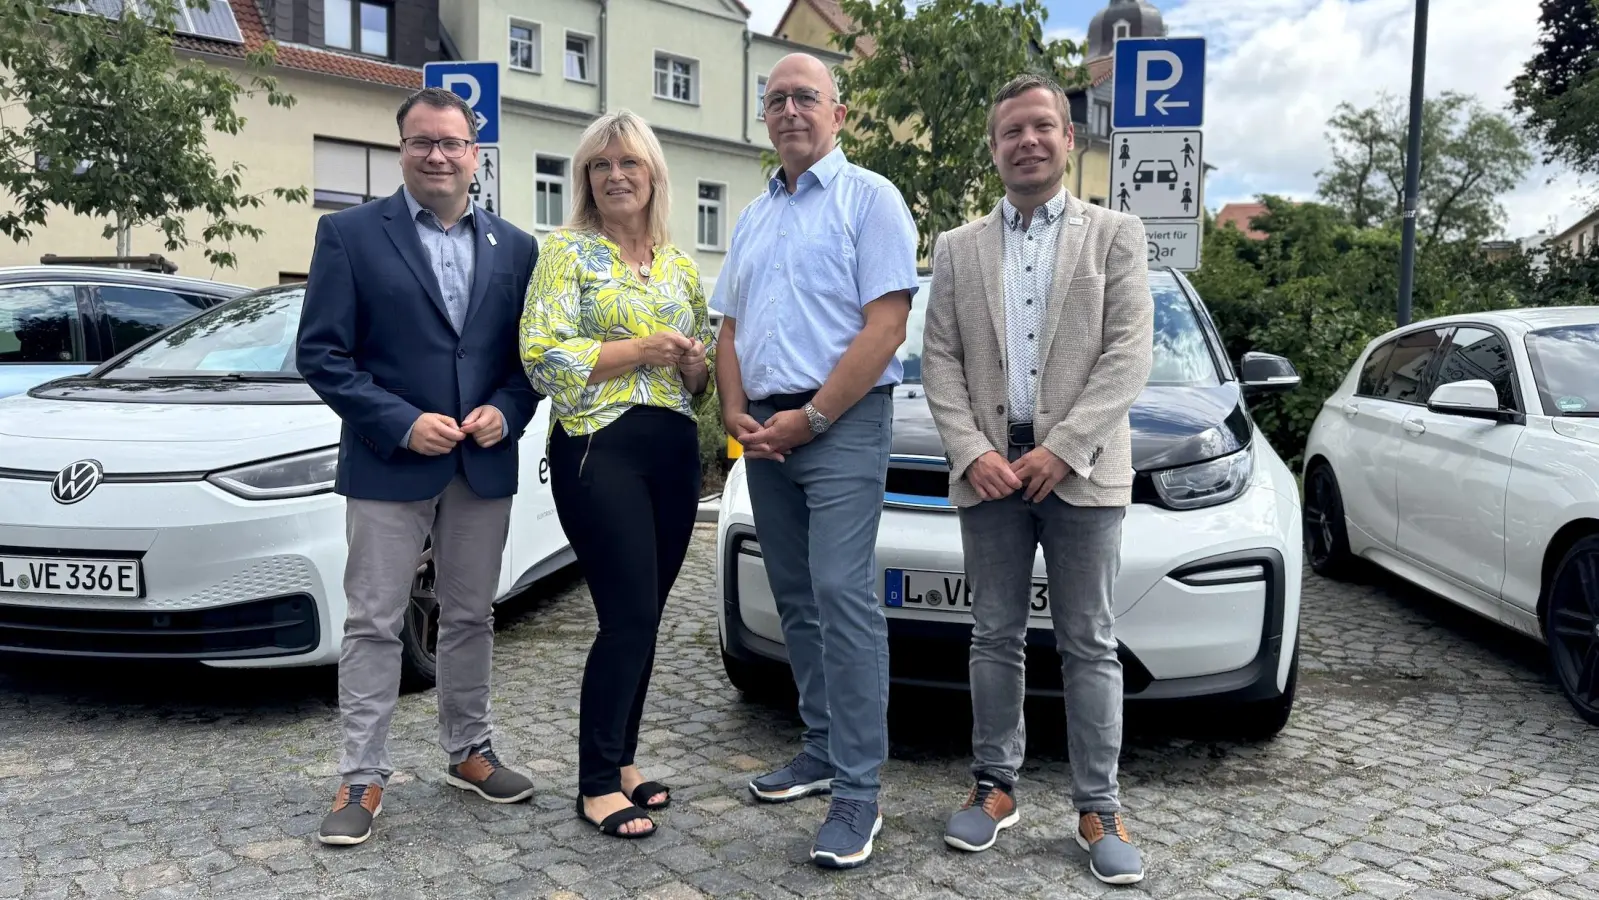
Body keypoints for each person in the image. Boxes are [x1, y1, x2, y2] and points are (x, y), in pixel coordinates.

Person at [919, 73, 1154, 885]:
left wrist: (1062, 448)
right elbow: (940, 358)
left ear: (1068, 139)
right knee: (992, 635)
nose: (1026, 141)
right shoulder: (955, 248)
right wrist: (967, 450)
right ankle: (993, 786)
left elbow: (1128, 357)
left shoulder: (1115, 235)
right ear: (993, 149)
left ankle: (1098, 805)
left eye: (1041, 127)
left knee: (1089, 640)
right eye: (1011, 131)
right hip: (988, 472)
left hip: (1082, 472)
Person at [296, 86, 542, 847]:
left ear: (475, 154)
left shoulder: (516, 246)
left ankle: (468, 750)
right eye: (421, 142)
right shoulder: (348, 235)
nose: (437, 154)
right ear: (400, 150)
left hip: (481, 464)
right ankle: (361, 776)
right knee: (373, 622)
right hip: (386, 463)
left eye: (451, 142)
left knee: (471, 615)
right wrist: (401, 424)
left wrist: (508, 409)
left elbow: (523, 361)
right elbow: (321, 354)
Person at [710, 52, 918, 870]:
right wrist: (734, 415)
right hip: (763, 428)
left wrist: (813, 416)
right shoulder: (756, 214)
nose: (789, 110)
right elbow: (729, 328)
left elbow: (885, 327)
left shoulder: (870, 199)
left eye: (805, 97)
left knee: (841, 593)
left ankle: (858, 792)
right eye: (775, 100)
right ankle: (822, 746)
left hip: (840, 423)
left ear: (839, 113)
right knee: (793, 594)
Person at [519, 110, 713, 840]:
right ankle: (596, 783)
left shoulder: (679, 264)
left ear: (653, 174)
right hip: (598, 448)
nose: (615, 176)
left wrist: (692, 365)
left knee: (648, 617)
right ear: (585, 180)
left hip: (671, 450)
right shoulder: (566, 252)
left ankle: (624, 761)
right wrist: (638, 350)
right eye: (600, 166)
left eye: (628, 163)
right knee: (625, 615)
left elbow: (695, 382)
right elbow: (540, 356)